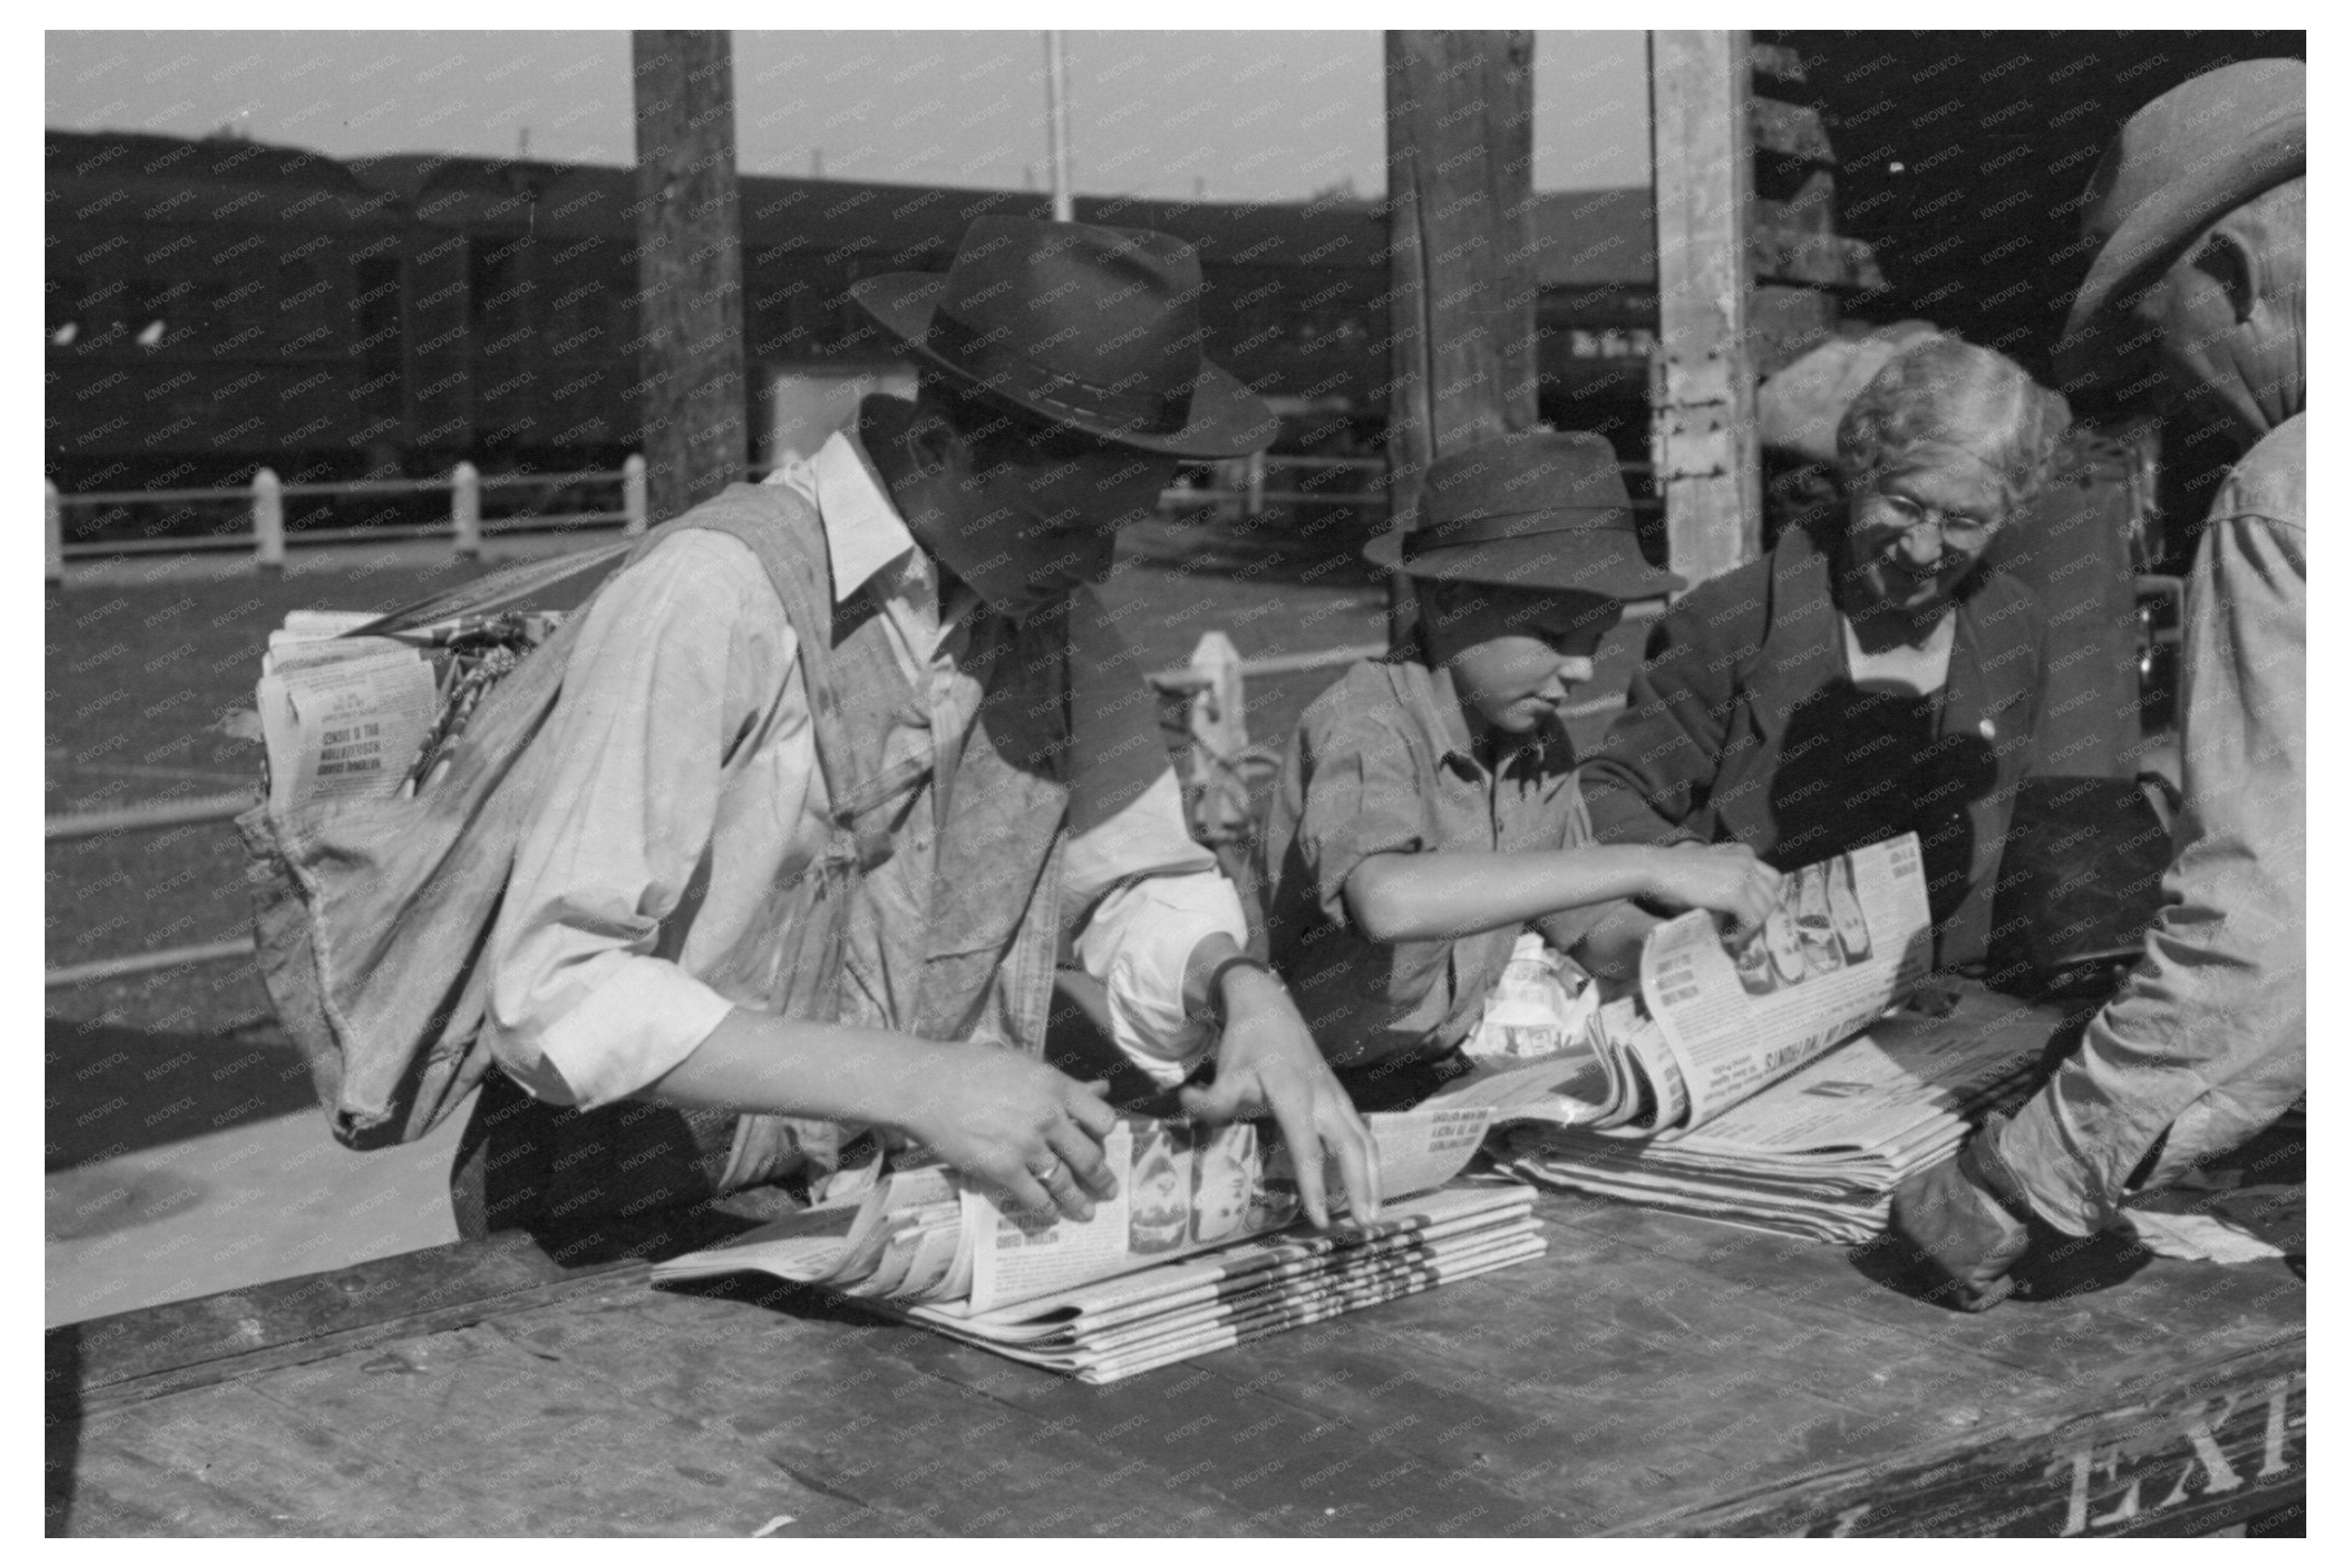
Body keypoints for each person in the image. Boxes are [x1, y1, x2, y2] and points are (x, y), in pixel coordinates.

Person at [450, 216, 1379, 1244]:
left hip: (871, 1221)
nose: (1098, 566)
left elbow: (1133, 880)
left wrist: (1238, 984)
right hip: (620, 1218)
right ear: (935, 445)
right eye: (1064, 523)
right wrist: (924, 1083)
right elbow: (555, 991)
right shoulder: (716, 594)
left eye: (1120, 524)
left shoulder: (1053, 618)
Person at [1891, 60, 2304, 1309]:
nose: (2162, 382)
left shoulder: (2290, 490)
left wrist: (2021, 1179)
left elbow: (2278, 933)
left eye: (2148, 327)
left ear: (2230, 273)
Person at [1258, 432, 1783, 1108]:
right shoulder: (1370, 725)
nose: (1583, 669)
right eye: (1554, 637)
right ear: (1445, 601)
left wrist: (1685, 955)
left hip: (1430, 1073)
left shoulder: (1538, 744)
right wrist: (1653, 864)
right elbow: (1386, 899)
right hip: (1293, 1085)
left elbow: (1587, 925)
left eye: (1596, 640)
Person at [1575, 337, 2070, 977]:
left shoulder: (2012, 623)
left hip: (1947, 998)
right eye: (1904, 504)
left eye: (1962, 522)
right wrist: (1679, 863)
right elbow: (1605, 793)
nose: (1922, 550)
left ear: (2007, 517)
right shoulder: (1729, 621)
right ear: (1860, 471)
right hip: (1762, 982)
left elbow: (2019, 820)